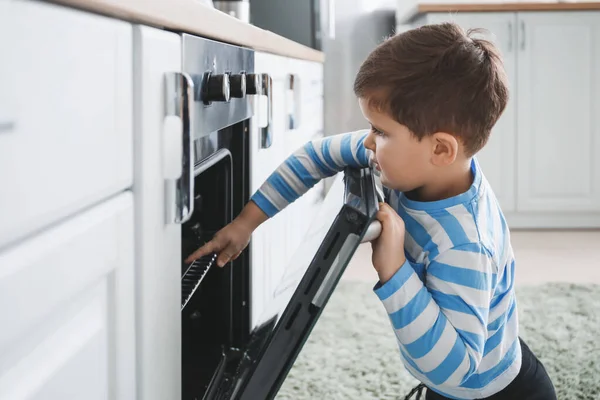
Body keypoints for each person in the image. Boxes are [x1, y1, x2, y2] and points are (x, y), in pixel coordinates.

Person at [185, 22, 557, 400]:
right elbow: (313, 157)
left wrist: (393, 268)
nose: (367, 141)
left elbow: (456, 370)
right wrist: (246, 223)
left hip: (487, 391)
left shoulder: (465, 245)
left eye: (380, 131)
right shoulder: (411, 159)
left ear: (441, 149)